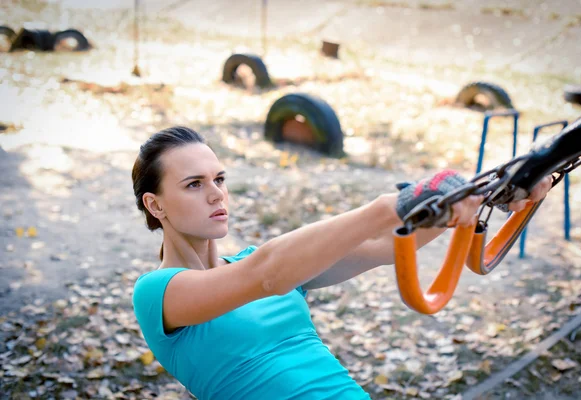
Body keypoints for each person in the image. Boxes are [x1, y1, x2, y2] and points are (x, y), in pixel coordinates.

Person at [131, 126, 552, 399]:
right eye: (194, 184)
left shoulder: (269, 266)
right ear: (156, 205)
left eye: (219, 179)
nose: (216, 194)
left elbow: (390, 245)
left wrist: (489, 195)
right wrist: (393, 204)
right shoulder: (158, 293)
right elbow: (265, 274)